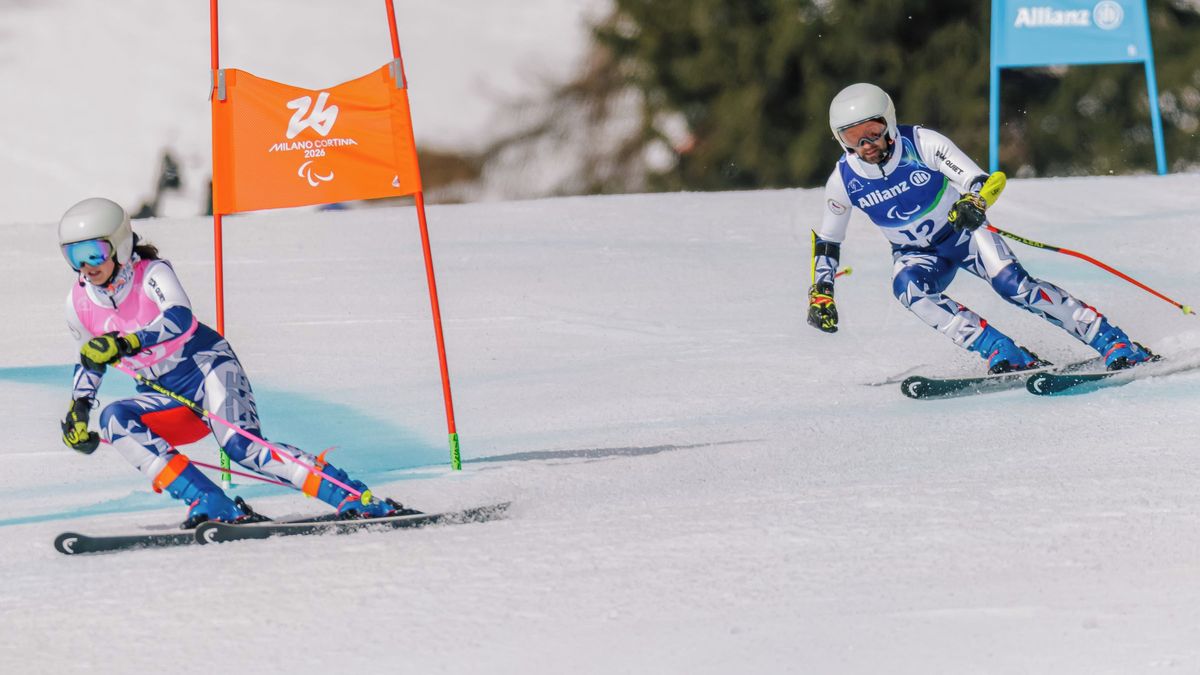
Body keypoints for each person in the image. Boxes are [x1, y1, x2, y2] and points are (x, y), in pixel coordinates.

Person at [57, 197, 417, 527]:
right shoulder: (79, 303)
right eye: (75, 256)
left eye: (94, 252)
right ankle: (210, 502)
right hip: (167, 397)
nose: (86, 266)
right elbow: (90, 358)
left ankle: (354, 497)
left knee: (242, 447)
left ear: (120, 245)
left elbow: (180, 317)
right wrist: (79, 408)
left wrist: (128, 342)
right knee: (115, 419)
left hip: (207, 369)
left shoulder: (151, 274)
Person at [806, 83, 1155, 373]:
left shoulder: (922, 143)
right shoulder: (844, 180)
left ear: (890, 122)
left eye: (874, 131)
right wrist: (822, 291)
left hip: (963, 233)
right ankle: (1004, 353)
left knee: (1014, 287)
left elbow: (983, 180)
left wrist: (974, 203)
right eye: (854, 138)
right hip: (917, 253)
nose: (867, 145)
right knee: (909, 290)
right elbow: (829, 240)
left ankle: (1113, 341)